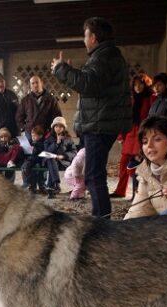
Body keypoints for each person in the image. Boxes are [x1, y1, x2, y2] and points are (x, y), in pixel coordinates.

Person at [52, 17, 131, 218]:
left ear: (93, 37)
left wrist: (62, 70)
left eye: (85, 35)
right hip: (100, 122)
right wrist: (72, 73)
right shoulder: (106, 55)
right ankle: (101, 218)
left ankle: (101, 223)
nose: (84, 39)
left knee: (94, 175)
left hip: (99, 124)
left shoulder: (105, 57)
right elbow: (91, 83)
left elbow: (89, 84)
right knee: (94, 174)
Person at [112, 73, 154, 198]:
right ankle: (120, 191)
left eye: (140, 84)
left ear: (145, 85)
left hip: (143, 133)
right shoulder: (131, 99)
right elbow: (124, 118)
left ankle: (138, 193)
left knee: (137, 165)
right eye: (135, 85)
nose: (137, 87)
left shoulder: (150, 98)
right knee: (124, 163)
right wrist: (121, 136)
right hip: (130, 133)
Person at [15, 75, 61, 139]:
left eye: (37, 82)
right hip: (30, 133)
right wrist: (23, 128)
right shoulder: (25, 100)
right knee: (30, 149)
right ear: (30, 85)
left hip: (46, 133)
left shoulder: (51, 99)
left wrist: (51, 130)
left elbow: (57, 116)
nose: (35, 85)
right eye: (32, 83)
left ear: (41, 83)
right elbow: (19, 117)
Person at [42, 116, 76, 196]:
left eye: (61, 126)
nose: (58, 128)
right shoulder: (48, 138)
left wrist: (63, 156)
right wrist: (56, 143)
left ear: (64, 128)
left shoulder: (68, 138)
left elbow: (74, 152)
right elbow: (46, 151)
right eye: (56, 126)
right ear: (53, 127)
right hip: (50, 161)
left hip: (63, 162)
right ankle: (56, 184)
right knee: (51, 159)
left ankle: (52, 186)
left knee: (52, 161)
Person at [19, 125, 47, 194]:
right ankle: (31, 185)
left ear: (40, 136)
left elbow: (40, 152)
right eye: (32, 136)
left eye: (35, 136)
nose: (33, 137)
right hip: (32, 159)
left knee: (27, 165)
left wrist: (34, 149)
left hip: (38, 159)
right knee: (24, 166)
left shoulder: (41, 143)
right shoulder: (33, 143)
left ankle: (27, 182)